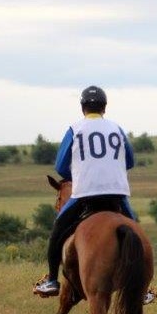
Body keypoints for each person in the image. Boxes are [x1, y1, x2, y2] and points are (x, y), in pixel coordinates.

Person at [33, 86, 139, 297]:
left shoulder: (75, 129)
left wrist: (80, 173)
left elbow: (61, 167)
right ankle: (142, 287)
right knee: (135, 230)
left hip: (85, 194)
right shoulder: (117, 129)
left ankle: (52, 280)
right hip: (117, 193)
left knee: (58, 230)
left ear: (82, 108)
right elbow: (130, 161)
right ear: (104, 108)